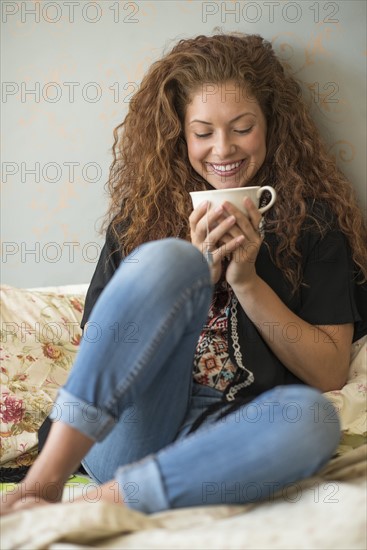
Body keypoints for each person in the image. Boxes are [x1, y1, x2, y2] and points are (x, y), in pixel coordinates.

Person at [2, 32, 366, 516]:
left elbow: (329, 371)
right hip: (130, 429)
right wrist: (196, 275)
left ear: (270, 126)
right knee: (170, 261)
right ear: (180, 134)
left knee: (312, 418)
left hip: (220, 440)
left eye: (242, 127)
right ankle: (42, 483)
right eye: (203, 132)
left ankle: (95, 503)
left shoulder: (314, 227)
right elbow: (102, 352)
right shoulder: (138, 221)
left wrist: (246, 281)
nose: (223, 149)